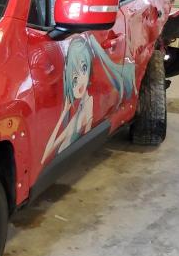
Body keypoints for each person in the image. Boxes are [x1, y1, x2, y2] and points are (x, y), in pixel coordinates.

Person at [41, 34, 136, 164]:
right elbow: (48, 151)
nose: (80, 82)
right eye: (74, 78)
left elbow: (50, 150)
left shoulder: (86, 105)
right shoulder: (72, 111)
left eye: (84, 68)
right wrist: (64, 113)